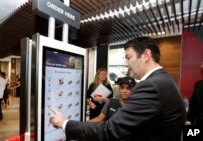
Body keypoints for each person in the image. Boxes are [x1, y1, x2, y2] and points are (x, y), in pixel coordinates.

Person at [49, 36, 186, 141]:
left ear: (146, 55)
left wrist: (65, 123)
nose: (125, 63)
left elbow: (110, 130)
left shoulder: (150, 86)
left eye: (128, 57)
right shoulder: (164, 80)